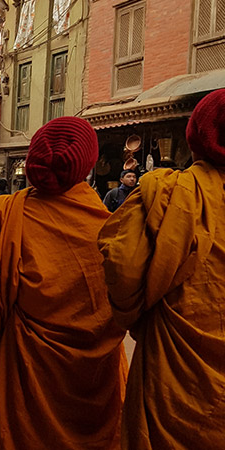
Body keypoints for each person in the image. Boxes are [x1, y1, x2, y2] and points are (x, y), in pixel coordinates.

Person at [0, 117, 127, 450]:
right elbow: (128, 309)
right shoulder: (112, 230)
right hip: (96, 381)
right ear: (87, 164)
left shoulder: (7, 214)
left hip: (27, 373)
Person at [98, 89, 225, 449]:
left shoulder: (170, 194)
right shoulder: (169, 194)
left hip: (173, 379)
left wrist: (138, 314)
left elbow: (122, 274)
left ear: (195, 136)